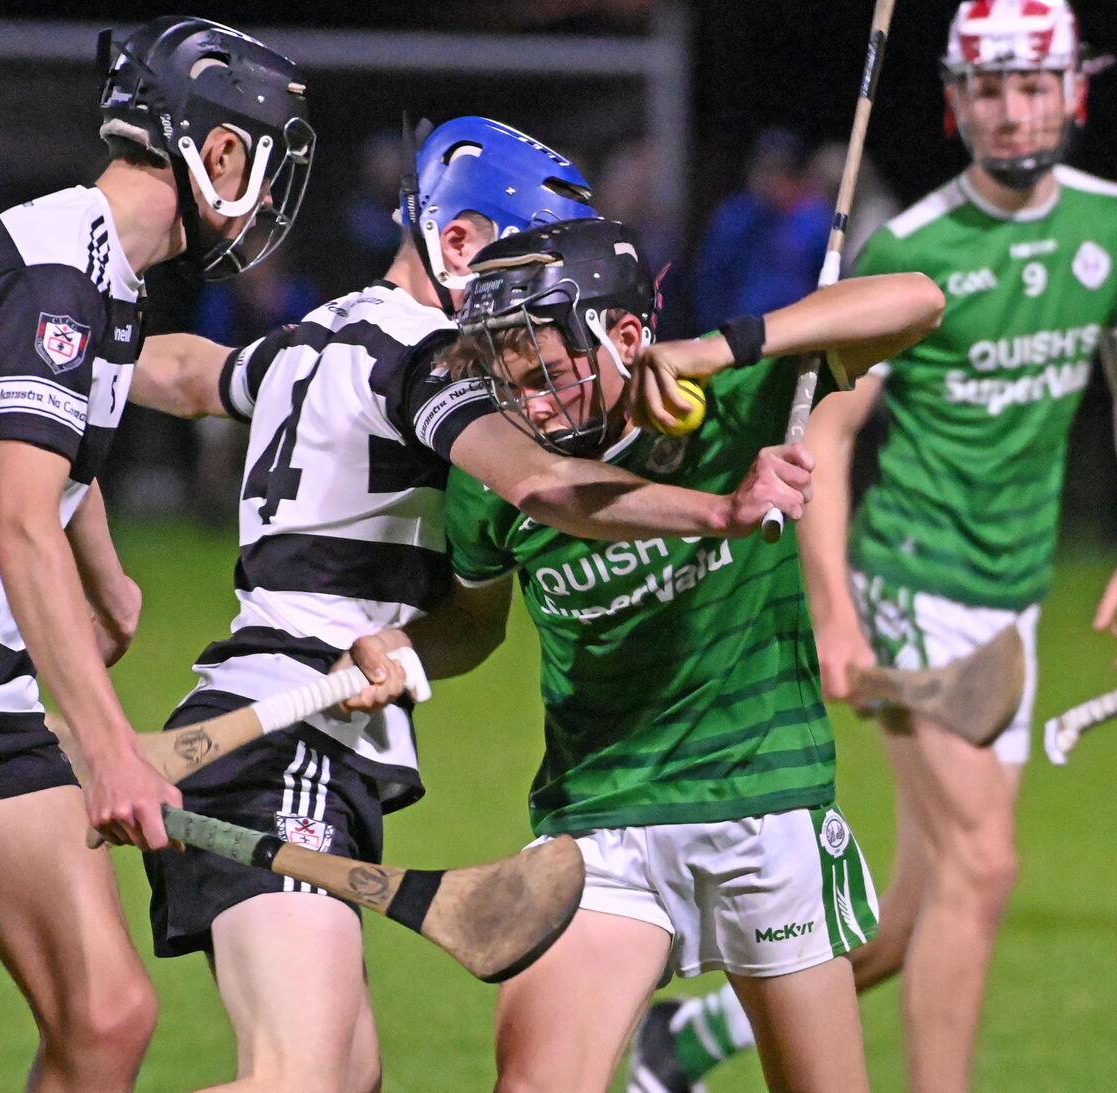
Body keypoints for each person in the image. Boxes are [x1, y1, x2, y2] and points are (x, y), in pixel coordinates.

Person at [131, 116, 829, 1093]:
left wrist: (47, 346)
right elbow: (545, 486)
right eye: (521, 260)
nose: (533, 309)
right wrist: (720, 506)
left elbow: (183, 371)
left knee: (343, 1079)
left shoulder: (315, 333)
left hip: (274, 729)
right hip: (289, 736)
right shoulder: (436, 363)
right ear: (456, 244)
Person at [631, 3, 1117, 1092]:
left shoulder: (1107, 225)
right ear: (955, 102)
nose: (1011, 108)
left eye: (1033, 84)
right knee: (983, 868)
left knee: (906, 922)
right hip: (910, 583)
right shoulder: (916, 247)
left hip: (1015, 600)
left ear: (1072, 93)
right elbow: (835, 440)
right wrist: (841, 612)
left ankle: (691, 1038)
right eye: (987, 88)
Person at [380, 216, 942, 1093]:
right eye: (507, 376)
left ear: (628, 336)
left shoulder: (741, 406)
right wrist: (405, 649)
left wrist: (718, 351)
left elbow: (918, 302)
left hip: (765, 802)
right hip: (602, 821)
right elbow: (475, 625)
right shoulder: (501, 478)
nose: (526, 402)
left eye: (545, 369)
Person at [0, 16, 316, 1091]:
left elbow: (44, 449)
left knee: (105, 1014)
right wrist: (112, 744)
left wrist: (109, 578)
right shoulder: (55, 270)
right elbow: (19, 522)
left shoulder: (107, 278)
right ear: (218, 153)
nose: (269, 199)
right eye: (267, 162)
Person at [692, 126, 833, 333]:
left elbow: (829, 283)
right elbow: (711, 284)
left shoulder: (815, 220)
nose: (769, 181)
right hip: (740, 336)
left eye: (778, 171)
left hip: (798, 334)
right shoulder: (734, 218)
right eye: (764, 170)